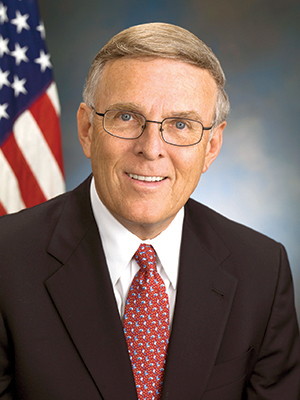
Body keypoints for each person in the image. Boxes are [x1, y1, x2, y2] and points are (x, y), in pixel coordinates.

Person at [0, 22, 299, 400]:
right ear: (87, 129)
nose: (152, 148)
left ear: (211, 146)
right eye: (127, 117)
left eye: (180, 124)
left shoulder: (262, 270)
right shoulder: (6, 261)